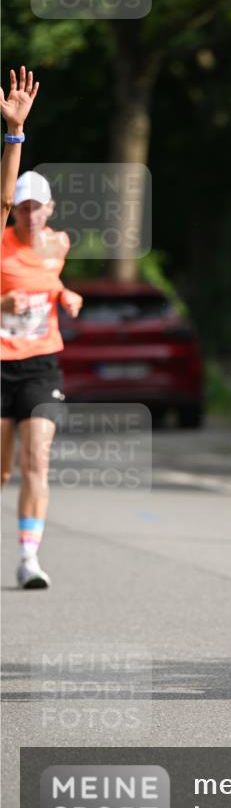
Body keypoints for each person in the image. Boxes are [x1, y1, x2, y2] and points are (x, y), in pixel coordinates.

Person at [1, 170, 83, 589]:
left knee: (36, 462)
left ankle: (28, 557)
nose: (31, 215)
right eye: (23, 207)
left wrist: (64, 294)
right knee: (2, 471)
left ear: (50, 210)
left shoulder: (59, 243)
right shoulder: (1, 242)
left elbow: (48, 280)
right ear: (12, 210)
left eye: (38, 207)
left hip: (40, 364)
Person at [1, 66, 40, 235]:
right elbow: (5, 202)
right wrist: (15, 129)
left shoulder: (59, 242)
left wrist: (16, 128)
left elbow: (4, 203)